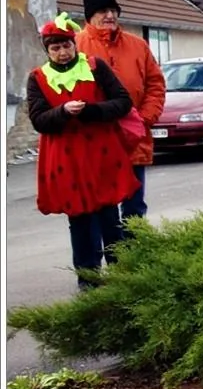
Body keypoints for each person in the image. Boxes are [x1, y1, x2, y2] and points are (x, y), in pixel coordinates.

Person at [26, 15, 141, 288]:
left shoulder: (95, 67)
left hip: (101, 154)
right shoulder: (38, 78)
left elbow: (123, 102)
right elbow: (39, 120)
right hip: (67, 159)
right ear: (47, 51)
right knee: (79, 221)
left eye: (66, 46)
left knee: (109, 217)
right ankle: (88, 280)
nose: (62, 52)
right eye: (55, 48)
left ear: (74, 44)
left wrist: (92, 110)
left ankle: (122, 277)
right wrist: (63, 112)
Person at [73, 0, 165, 224]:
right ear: (90, 16)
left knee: (134, 205)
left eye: (113, 10)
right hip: (95, 140)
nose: (110, 15)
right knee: (104, 206)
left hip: (133, 138)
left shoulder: (138, 45)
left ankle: (135, 247)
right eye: (103, 11)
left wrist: (144, 119)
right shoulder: (76, 47)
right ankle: (114, 248)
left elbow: (155, 84)